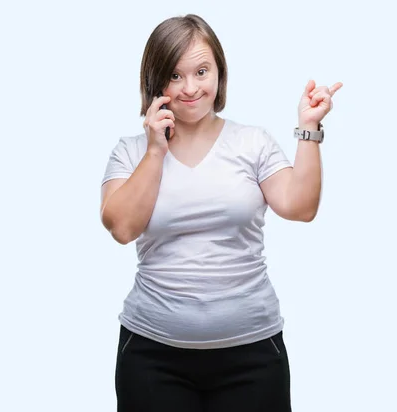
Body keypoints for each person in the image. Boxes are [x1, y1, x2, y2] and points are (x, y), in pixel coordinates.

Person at [100, 13, 342, 412]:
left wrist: (309, 130)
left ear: (219, 72)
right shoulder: (130, 151)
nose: (191, 88)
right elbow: (122, 227)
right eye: (175, 76)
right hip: (152, 357)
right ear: (155, 80)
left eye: (201, 71)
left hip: (252, 356)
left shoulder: (252, 142)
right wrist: (156, 150)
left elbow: (300, 208)